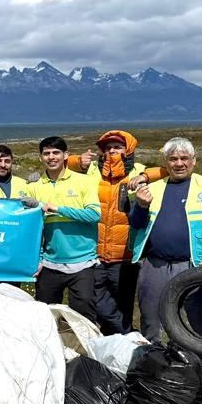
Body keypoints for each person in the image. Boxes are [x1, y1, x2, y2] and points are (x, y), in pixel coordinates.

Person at [129, 137, 202, 345]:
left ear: (194, 161)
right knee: (152, 320)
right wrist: (140, 206)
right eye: (173, 159)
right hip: (155, 264)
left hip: (195, 263)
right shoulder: (153, 188)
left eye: (184, 158)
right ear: (165, 162)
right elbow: (136, 223)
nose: (179, 163)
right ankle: (154, 360)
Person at [68, 130, 166, 334]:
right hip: (94, 252)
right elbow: (58, 163)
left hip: (125, 255)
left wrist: (145, 176)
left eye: (117, 147)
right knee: (94, 300)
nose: (112, 150)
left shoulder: (138, 171)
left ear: (128, 149)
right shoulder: (92, 170)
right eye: (108, 147)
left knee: (124, 302)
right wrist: (78, 161)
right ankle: (125, 333)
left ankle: (120, 345)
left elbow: (166, 171)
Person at [17, 136, 100, 321]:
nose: (51, 157)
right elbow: (32, 231)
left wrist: (58, 209)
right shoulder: (34, 188)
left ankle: (84, 350)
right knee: (46, 317)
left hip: (83, 262)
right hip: (49, 263)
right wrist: (37, 258)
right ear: (40, 157)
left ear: (66, 156)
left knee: (83, 317)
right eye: (46, 153)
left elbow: (94, 215)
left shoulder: (84, 182)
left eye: (56, 153)